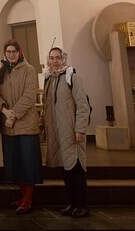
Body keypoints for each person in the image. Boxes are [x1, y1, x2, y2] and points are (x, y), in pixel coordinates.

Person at [0, 39, 42, 215]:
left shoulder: (29, 70)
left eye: (14, 51)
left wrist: (13, 114)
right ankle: (22, 197)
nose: (11, 54)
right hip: (8, 126)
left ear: (19, 53)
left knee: (28, 164)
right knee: (15, 164)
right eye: (8, 51)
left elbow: (29, 96)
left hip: (25, 125)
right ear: (5, 53)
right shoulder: (0, 72)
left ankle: (28, 200)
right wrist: (5, 111)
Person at [44, 47, 91, 218]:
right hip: (58, 132)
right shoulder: (49, 79)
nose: (55, 61)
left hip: (72, 131)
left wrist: (80, 128)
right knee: (66, 170)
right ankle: (71, 203)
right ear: (48, 60)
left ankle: (82, 205)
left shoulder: (73, 78)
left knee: (77, 170)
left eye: (58, 58)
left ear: (63, 59)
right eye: (52, 58)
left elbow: (82, 105)